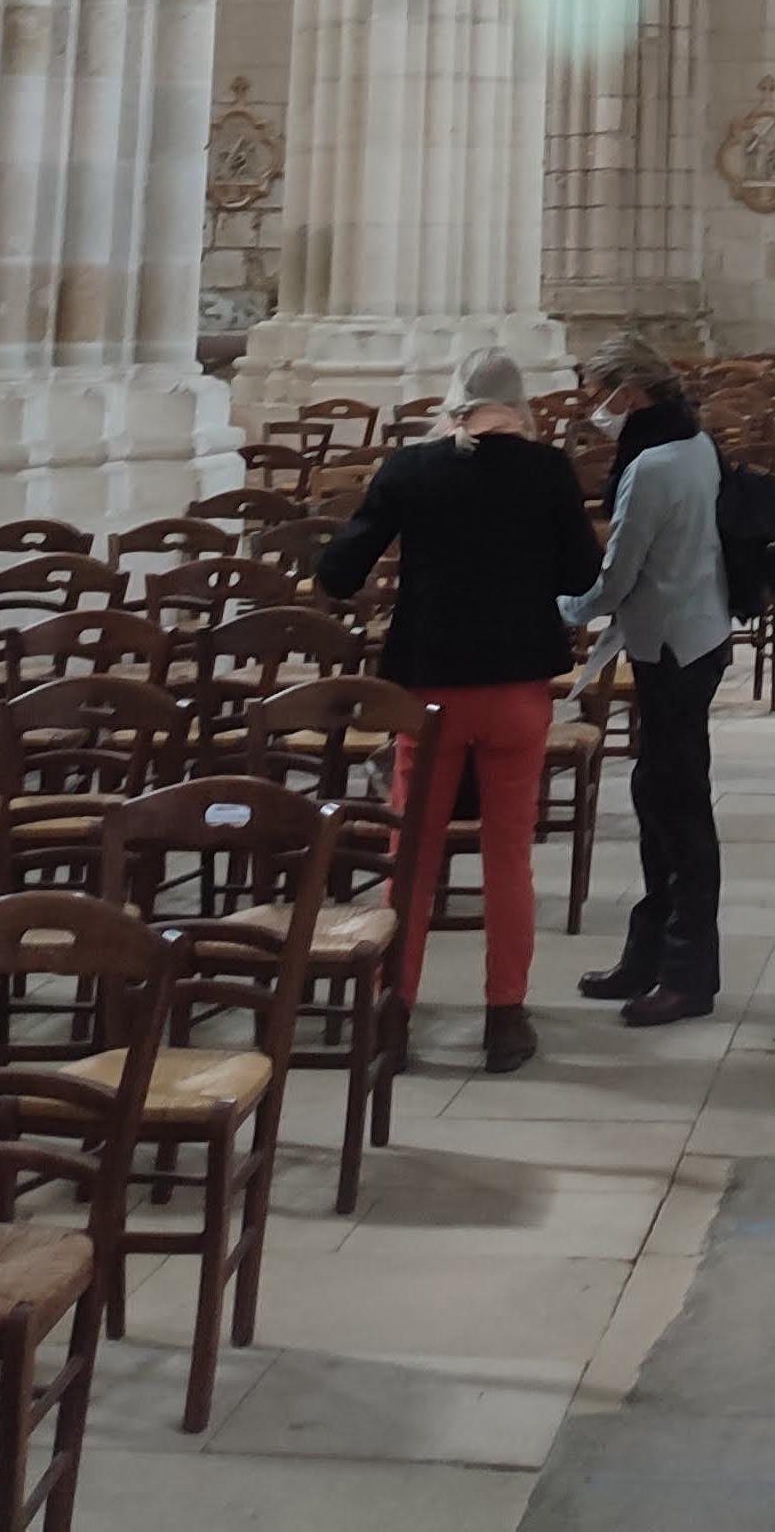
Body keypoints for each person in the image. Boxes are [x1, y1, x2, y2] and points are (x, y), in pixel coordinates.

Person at [316, 347, 598, 1075]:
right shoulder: (546, 470)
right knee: (508, 855)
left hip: (430, 688)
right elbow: (581, 574)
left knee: (411, 854)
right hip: (516, 687)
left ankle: (392, 1012)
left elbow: (338, 573)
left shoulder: (412, 469)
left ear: (455, 401)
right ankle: (504, 1018)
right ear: (519, 402)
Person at [561, 329, 732, 1028]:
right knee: (657, 796)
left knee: (679, 810)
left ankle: (689, 976)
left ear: (628, 392)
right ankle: (648, 955)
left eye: (598, 394)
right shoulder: (692, 442)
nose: (592, 408)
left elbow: (618, 574)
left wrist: (564, 609)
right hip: (692, 636)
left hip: (675, 647)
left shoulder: (655, 464)